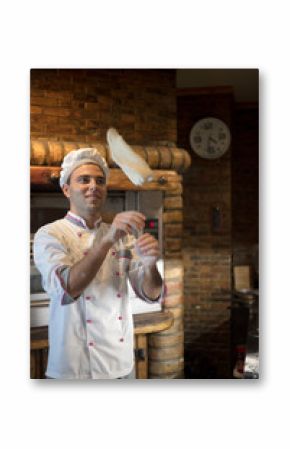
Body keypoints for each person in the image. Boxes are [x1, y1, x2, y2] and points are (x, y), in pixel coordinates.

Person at [33, 148, 164, 379]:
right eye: (84, 180)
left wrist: (151, 265)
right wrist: (107, 240)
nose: (93, 186)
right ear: (66, 190)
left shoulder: (121, 235)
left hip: (119, 362)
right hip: (73, 365)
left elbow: (151, 294)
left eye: (100, 181)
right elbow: (67, 287)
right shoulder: (50, 234)